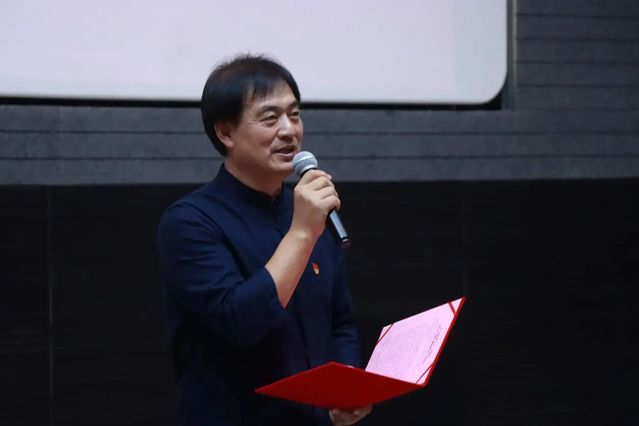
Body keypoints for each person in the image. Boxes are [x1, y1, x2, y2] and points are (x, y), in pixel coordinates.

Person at [157, 54, 372, 426]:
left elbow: (340, 322)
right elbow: (240, 321)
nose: (289, 130)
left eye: (295, 114)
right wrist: (301, 233)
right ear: (226, 133)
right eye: (270, 118)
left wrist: (347, 388)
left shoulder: (307, 210)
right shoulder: (190, 222)